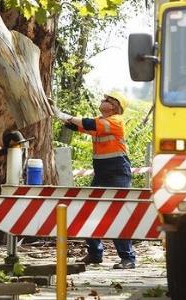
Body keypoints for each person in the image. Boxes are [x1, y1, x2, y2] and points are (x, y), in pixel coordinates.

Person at [53, 90, 136, 269]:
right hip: (102, 173)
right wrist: (55, 113)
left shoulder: (115, 121)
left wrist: (63, 114)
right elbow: (77, 126)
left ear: (115, 106)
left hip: (117, 173)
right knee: (88, 210)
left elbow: (87, 123)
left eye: (107, 99)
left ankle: (127, 258)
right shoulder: (100, 123)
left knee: (117, 214)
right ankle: (95, 253)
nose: (103, 100)